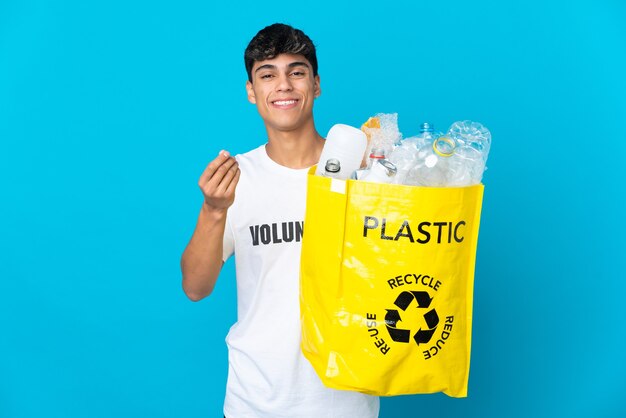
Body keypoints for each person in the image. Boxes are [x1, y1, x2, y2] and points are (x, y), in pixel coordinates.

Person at [180, 23, 380, 417]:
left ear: (316, 84)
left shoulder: (365, 172)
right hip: (256, 400)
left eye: (297, 71)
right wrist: (214, 210)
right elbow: (195, 287)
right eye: (267, 74)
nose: (283, 85)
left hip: (346, 399)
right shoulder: (237, 178)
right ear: (251, 91)